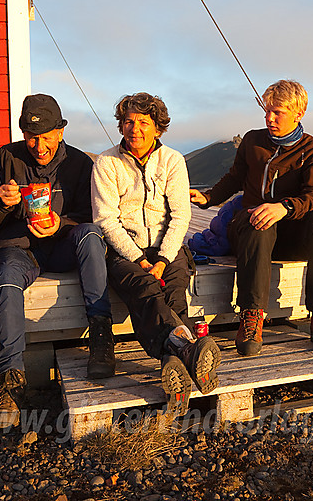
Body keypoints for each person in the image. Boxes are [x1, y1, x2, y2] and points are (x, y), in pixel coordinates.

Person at [0, 94, 112, 430]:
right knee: (5, 278)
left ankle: (101, 339)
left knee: (92, 234)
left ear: (60, 132)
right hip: (20, 249)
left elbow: (92, 214)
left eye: (46, 136)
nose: (39, 144)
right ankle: (11, 379)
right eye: (31, 137)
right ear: (23, 135)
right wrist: (2, 204)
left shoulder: (80, 164)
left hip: (63, 245)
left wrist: (61, 224)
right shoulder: (7, 157)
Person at [190, 80, 313, 356]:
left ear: (299, 113)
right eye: (267, 111)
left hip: (291, 232)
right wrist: (209, 198)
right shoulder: (253, 141)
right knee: (258, 219)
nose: (269, 118)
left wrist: (284, 207)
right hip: (251, 232)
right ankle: (252, 316)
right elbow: (234, 178)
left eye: (278, 112)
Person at [92, 92, 220, 417]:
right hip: (124, 251)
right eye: (128, 121)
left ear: (158, 128)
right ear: (120, 125)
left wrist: (163, 258)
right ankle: (191, 355)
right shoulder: (107, 163)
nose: (135, 128)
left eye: (144, 122)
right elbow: (106, 219)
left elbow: (181, 216)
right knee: (148, 290)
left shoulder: (172, 161)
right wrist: (139, 259)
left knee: (175, 295)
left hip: (169, 247)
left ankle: (174, 361)